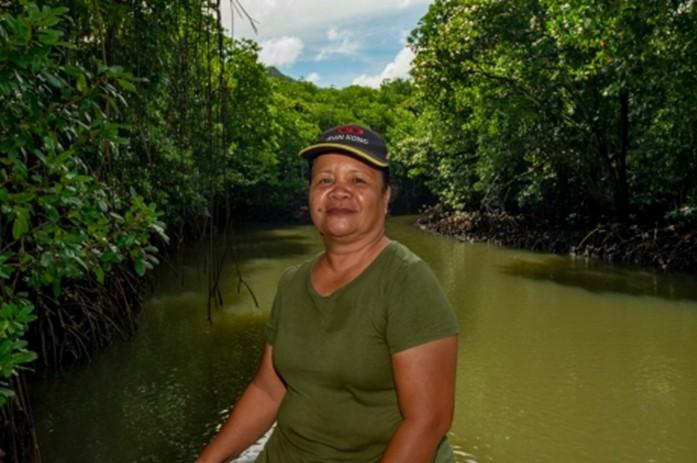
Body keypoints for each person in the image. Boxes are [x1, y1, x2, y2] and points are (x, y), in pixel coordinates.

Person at [196, 124, 459, 463]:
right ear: (310, 195)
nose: (339, 192)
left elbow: (427, 422)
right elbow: (268, 388)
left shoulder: (408, 282)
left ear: (386, 198)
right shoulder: (292, 283)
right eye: (325, 180)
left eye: (357, 180)